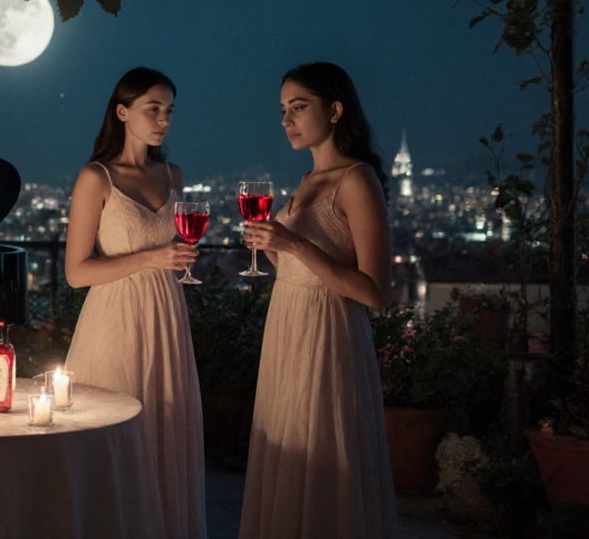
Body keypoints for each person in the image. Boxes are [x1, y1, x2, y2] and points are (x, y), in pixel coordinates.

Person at [238, 62, 398, 538]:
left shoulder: (357, 179)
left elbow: (376, 292)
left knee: (325, 449)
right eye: (283, 109)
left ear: (335, 110)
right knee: (288, 449)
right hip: (286, 327)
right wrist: (269, 251)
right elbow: (295, 269)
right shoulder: (305, 183)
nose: (286, 120)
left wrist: (293, 244)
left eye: (299, 107)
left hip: (329, 335)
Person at [63, 68, 207, 539]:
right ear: (123, 112)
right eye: (153, 109)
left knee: (163, 430)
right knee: (117, 431)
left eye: (169, 111)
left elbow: (169, 251)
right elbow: (77, 272)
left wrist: (177, 256)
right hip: (115, 320)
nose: (163, 120)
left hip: (166, 314)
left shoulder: (172, 174)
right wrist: (154, 256)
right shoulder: (96, 177)